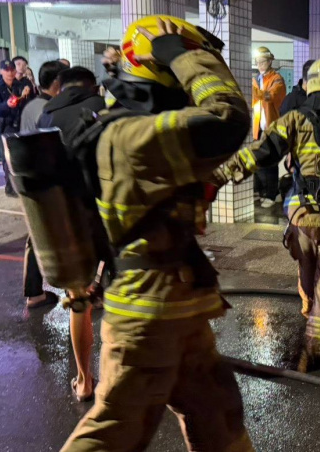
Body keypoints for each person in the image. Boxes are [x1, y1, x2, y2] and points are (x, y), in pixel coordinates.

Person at [59, 16, 253, 450]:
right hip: (147, 318)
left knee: (218, 414)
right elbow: (227, 119)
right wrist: (183, 53)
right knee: (113, 432)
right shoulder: (132, 134)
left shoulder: (134, 126)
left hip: (175, 309)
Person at [214, 56, 320, 366]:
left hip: (303, 213)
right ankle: (319, 348)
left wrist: (221, 174)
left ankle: (308, 307)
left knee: (307, 268)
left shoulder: (294, 120)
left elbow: (262, 153)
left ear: (310, 84)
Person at [37, 65, 108, 402]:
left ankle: (85, 380)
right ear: (91, 86)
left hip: (66, 225)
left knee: (79, 302)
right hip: (109, 219)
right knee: (124, 297)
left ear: (59, 88)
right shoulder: (104, 112)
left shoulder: (44, 118)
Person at [18, 60, 68, 311]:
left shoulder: (30, 106)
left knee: (35, 238)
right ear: (58, 83)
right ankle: (78, 290)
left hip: (29, 180)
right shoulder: (50, 109)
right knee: (66, 234)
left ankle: (34, 293)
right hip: (48, 182)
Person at [0, 59, 35, 197]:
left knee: (20, 155)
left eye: (11, 70)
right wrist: (6, 105)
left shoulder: (19, 84)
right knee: (8, 157)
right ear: (1, 71)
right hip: (5, 125)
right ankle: (10, 187)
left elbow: (30, 98)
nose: (9, 72)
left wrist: (29, 90)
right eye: (6, 70)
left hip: (20, 123)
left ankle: (21, 184)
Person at [251, 46, 286, 208]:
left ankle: (272, 195)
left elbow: (270, 96)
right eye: (257, 62)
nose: (259, 64)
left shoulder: (277, 79)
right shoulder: (256, 79)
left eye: (262, 61)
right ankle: (264, 192)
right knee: (259, 162)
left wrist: (253, 89)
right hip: (258, 127)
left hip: (271, 127)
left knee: (270, 163)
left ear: (270, 61)